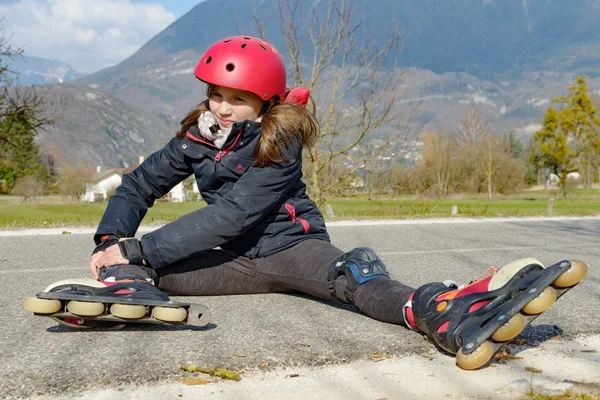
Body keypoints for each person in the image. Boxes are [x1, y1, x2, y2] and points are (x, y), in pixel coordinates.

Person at [85, 36, 585, 370]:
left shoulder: (279, 140)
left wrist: (141, 248)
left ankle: (446, 310)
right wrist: (113, 243)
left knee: (356, 275)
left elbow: (234, 213)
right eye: (216, 94)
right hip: (231, 260)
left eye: (236, 98)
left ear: (265, 102)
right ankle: (128, 291)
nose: (221, 107)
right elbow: (138, 185)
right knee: (138, 265)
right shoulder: (197, 137)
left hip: (288, 246)